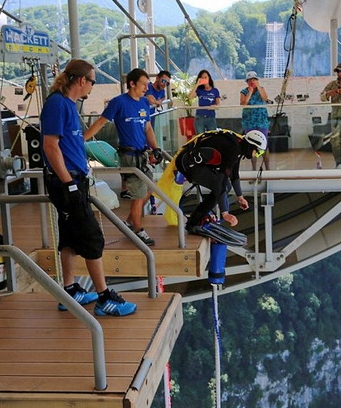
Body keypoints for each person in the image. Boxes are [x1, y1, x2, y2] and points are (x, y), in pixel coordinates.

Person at [41, 59, 136, 317]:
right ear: (82, 80)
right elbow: (50, 146)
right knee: (93, 237)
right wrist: (68, 183)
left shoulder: (68, 105)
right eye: (93, 81)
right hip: (67, 182)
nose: (93, 86)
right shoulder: (57, 104)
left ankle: (70, 290)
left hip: (74, 180)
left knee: (70, 236)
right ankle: (105, 297)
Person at [84, 68, 161, 247]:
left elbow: (148, 128)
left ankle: (128, 221)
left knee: (148, 189)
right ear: (132, 83)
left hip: (142, 154)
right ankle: (138, 230)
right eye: (143, 84)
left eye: (147, 85)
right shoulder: (118, 103)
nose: (146, 88)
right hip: (128, 156)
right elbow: (101, 122)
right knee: (138, 194)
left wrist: (155, 148)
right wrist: (80, 140)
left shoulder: (143, 103)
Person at [174, 129, 267, 234]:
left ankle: (196, 219)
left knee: (225, 186)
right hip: (187, 163)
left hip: (195, 162)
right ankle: (193, 223)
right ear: (251, 146)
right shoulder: (233, 149)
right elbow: (219, 183)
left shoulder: (239, 145)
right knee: (221, 186)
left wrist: (240, 197)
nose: (256, 155)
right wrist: (225, 213)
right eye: (258, 152)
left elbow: (234, 174)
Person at [320, 62, 341, 167]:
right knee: (335, 141)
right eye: (338, 71)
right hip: (336, 117)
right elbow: (322, 97)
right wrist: (329, 94)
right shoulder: (332, 85)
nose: (339, 74)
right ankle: (338, 162)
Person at [239, 71, 270, 169]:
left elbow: (265, 98)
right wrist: (250, 92)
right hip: (249, 122)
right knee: (252, 145)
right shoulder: (244, 92)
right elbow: (243, 103)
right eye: (250, 80)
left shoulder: (261, 89)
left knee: (264, 144)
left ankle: (268, 168)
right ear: (247, 82)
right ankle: (254, 168)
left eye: (254, 79)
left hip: (261, 121)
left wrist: (258, 87)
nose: (252, 81)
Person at [188, 69, 221, 134]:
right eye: (202, 78)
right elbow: (190, 97)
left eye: (205, 77)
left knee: (212, 137)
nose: (204, 79)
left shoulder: (215, 90)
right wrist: (197, 84)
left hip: (211, 117)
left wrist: (214, 106)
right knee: (200, 137)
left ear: (209, 78)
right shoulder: (199, 90)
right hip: (200, 117)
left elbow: (218, 104)